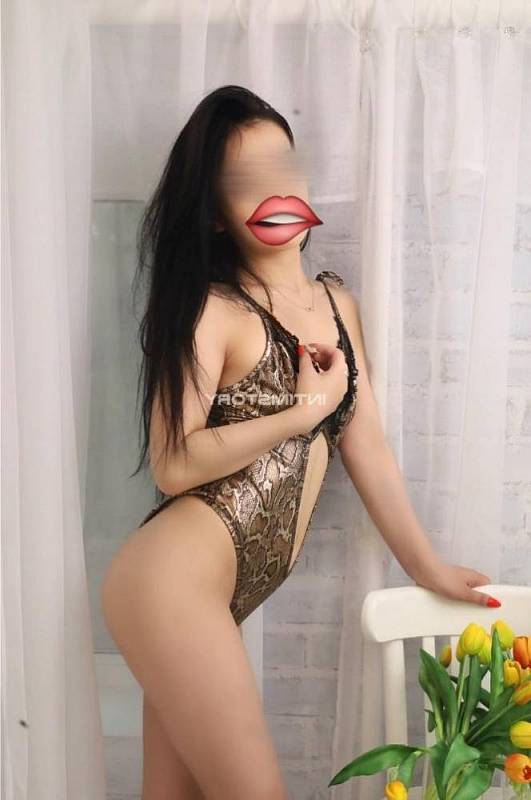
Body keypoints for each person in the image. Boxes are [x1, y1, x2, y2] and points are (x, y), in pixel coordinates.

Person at [100, 85, 497, 800]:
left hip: (209, 599)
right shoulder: (214, 310)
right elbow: (173, 462)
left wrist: (426, 567)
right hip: (169, 582)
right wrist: (299, 411)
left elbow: (366, 446)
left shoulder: (337, 305)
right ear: (215, 213)